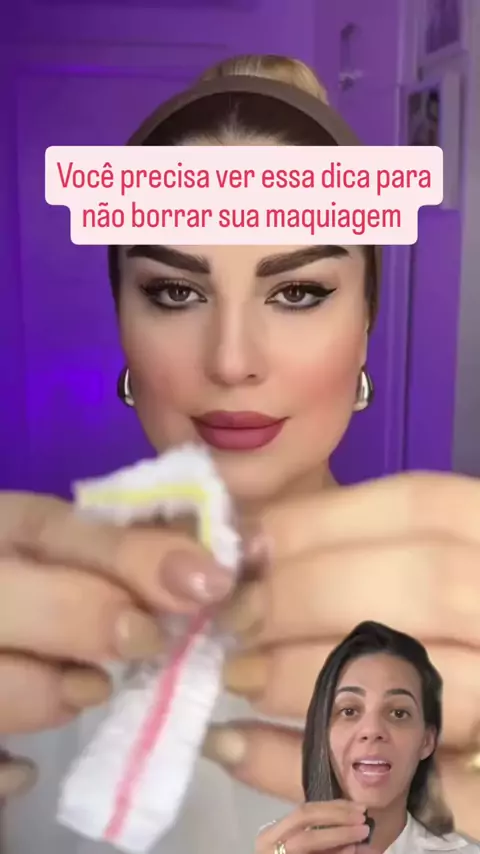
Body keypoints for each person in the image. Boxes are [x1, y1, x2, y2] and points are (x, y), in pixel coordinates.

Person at [2, 54, 480, 852]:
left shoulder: (459, 632)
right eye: (175, 292)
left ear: (365, 321)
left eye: (297, 292)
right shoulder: (33, 636)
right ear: (122, 320)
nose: (231, 361)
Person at [256, 621, 480, 853]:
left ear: (427, 741)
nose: (372, 730)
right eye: (349, 711)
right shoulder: (276, 846)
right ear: (323, 731)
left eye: (398, 713)